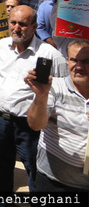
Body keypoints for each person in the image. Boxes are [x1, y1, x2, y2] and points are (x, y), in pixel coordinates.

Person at [0, 4, 67, 193]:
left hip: (30, 127)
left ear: (33, 27)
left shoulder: (49, 54)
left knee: (35, 170)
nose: (16, 28)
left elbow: (62, 90)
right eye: (13, 23)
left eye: (22, 24)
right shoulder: (1, 46)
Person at [25, 39, 89, 192]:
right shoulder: (54, 88)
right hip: (53, 185)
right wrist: (41, 96)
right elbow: (35, 124)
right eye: (74, 60)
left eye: (86, 61)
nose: (79, 67)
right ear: (67, 61)